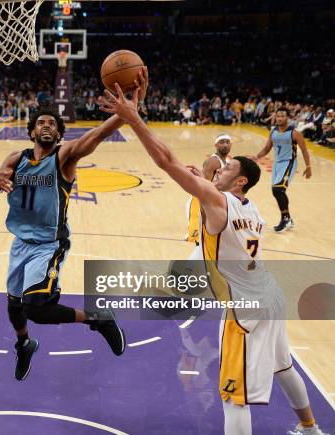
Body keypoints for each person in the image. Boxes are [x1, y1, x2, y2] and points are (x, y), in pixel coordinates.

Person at [99, 83, 327, 435]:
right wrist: (199, 180)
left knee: (232, 395)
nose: (218, 170)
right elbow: (208, 191)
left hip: (245, 310)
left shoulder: (220, 203)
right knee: (283, 366)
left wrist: (133, 118)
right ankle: (310, 427)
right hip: (271, 297)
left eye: (226, 169)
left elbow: (163, 160)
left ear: (241, 182)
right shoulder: (254, 211)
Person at [0, 68, 149, 381]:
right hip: (20, 244)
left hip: (48, 244)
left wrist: (126, 113)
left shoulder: (63, 157)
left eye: (52, 124)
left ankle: (98, 318)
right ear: (31, 132)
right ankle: (24, 343)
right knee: (14, 306)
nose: (46, 126)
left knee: (36, 308)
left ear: (58, 135)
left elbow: (95, 136)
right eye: (41, 123)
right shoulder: (16, 159)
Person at [252, 108, 311, 232]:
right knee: (277, 191)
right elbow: (267, 148)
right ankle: (288, 219)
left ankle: (285, 219)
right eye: (278, 116)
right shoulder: (273, 131)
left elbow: (304, 150)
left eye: (282, 116)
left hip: (289, 163)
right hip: (277, 164)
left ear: (287, 118)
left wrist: (308, 166)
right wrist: (256, 157)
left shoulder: (294, 133)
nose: (279, 118)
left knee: (278, 189)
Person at [186, 134, 231, 249]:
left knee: (210, 244)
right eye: (222, 142)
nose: (225, 145)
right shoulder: (213, 161)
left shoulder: (224, 161)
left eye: (227, 142)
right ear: (216, 145)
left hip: (210, 203)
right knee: (201, 244)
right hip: (199, 203)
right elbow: (202, 185)